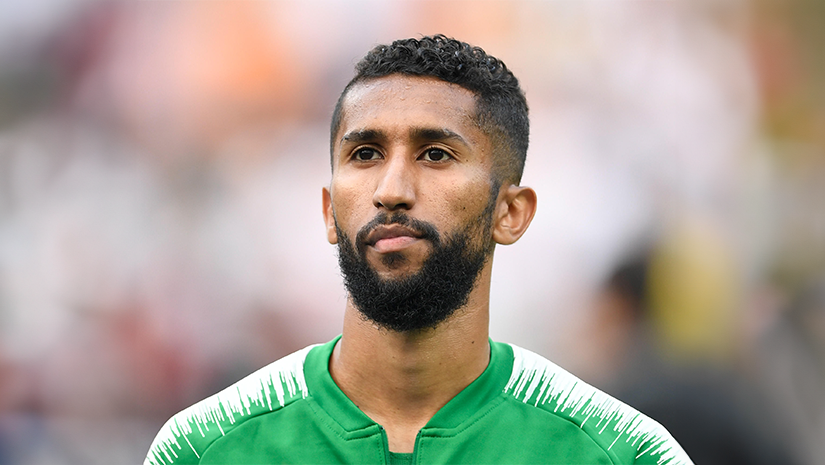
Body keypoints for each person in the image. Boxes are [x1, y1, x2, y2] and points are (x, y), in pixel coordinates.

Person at [144, 35, 693, 465]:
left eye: (434, 154)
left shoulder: (623, 453)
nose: (391, 190)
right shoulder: (203, 450)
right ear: (329, 210)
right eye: (365, 153)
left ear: (511, 212)